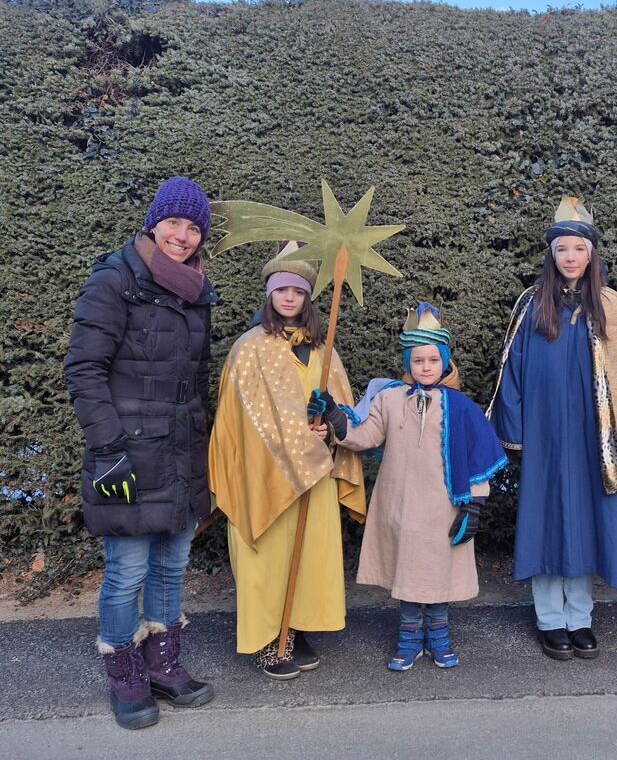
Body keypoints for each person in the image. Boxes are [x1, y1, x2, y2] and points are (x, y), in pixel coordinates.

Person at [64, 177, 219, 729]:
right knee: (127, 572)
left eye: (194, 227)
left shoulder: (197, 292)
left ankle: (162, 665)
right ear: (154, 223)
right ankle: (125, 674)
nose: (183, 235)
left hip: (180, 456)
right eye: (174, 222)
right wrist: (108, 447)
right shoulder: (115, 279)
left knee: (172, 567)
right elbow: (84, 370)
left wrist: (203, 442)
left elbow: (197, 379)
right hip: (126, 454)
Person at [488, 197, 617, 661]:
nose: (570, 257)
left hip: (594, 437)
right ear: (551, 255)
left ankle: (581, 617)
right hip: (546, 435)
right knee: (546, 519)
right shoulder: (532, 304)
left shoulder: (610, 305)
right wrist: (516, 432)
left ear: (591, 254)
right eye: (562, 250)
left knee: (587, 520)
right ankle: (551, 619)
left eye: (578, 249)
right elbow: (511, 371)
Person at [208, 243, 366, 679]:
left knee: (309, 552)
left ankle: (295, 628)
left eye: (298, 290)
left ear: (308, 297)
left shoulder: (324, 349)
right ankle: (267, 638)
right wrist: (296, 439)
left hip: (315, 473)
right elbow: (241, 418)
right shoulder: (248, 349)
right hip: (266, 472)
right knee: (268, 555)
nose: (290, 297)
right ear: (270, 294)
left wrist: (328, 427)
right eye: (282, 290)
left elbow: (343, 412)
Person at [322, 303, 507, 671]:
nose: (425, 367)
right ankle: (409, 639)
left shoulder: (460, 407)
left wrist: (473, 507)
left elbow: (476, 458)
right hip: (401, 506)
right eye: (418, 361)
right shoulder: (389, 399)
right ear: (408, 363)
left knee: (437, 571)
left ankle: (438, 637)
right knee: (408, 572)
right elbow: (365, 435)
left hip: (443, 508)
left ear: (445, 362)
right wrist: (335, 417)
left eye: (433, 360)